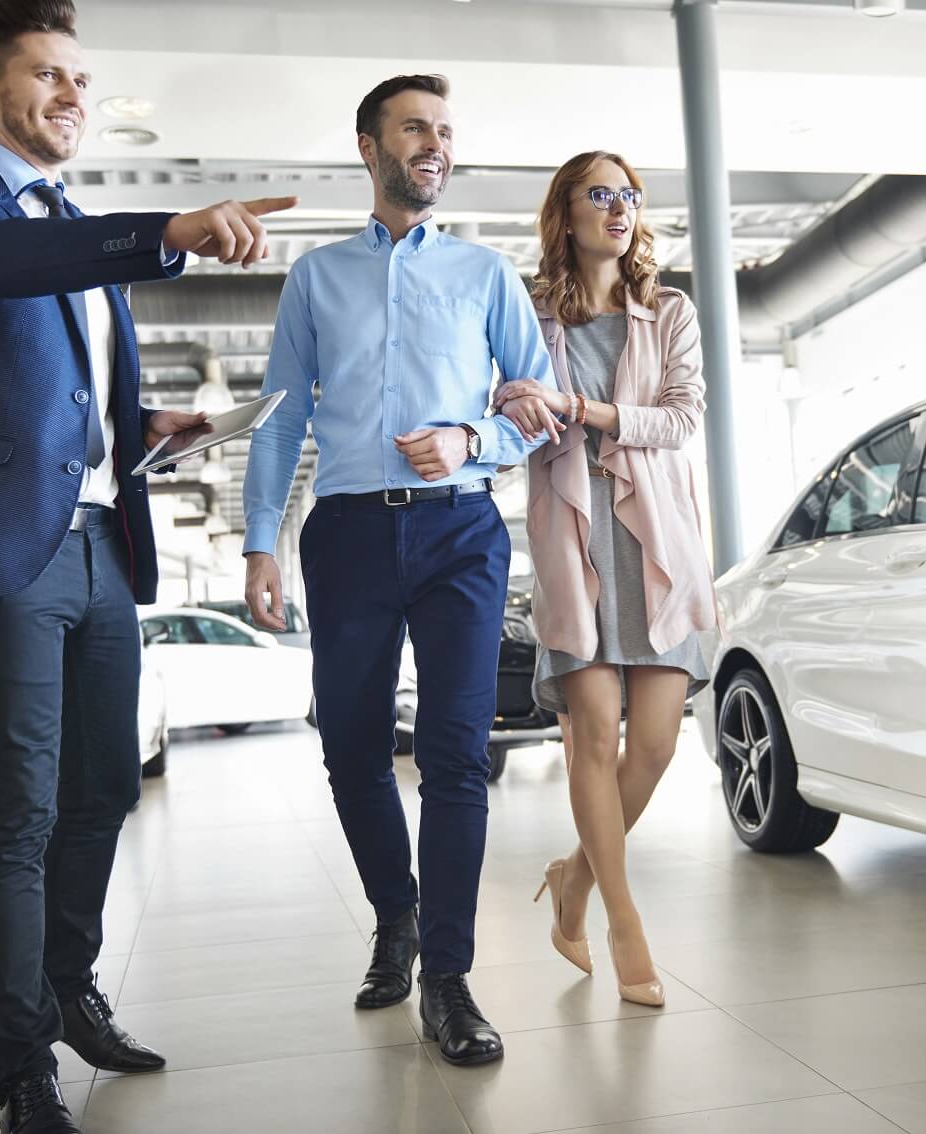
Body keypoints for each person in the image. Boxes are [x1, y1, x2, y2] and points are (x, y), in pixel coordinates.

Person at [0, 2, 293, 1130]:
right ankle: (20, 1066)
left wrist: (144, 424)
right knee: (16, 812)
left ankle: (70, 994)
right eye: (47, 74)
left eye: (80, 77)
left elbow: (67, 388)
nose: (73, 93)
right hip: (1, 549)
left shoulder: (71, 220)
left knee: (103, 790)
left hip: (104, 546)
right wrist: (166, 230)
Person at [243, 74, 557, 1067]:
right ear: (369, 147)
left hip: (461, 534)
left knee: (458, 757)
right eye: (415, 128)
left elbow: (536, 406)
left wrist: (472, 437)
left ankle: (450, 982)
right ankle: (395, 914)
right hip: (345, 534)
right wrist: (260, 540)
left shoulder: (484, 275)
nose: (434, 145)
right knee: (349, 748)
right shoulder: (315, 278)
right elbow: (282, 414)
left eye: (444, 131)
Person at [495, 151, 715, 1007]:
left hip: (656, 533)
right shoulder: (532, 311)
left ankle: (576, 876)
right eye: (601, 193)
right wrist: (520, 402)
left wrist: (592, 414)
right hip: (570, 533)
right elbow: (508, 406)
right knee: (592, 740)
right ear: (568, 211)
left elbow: (685, 416)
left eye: (629, 195)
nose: (619, 208)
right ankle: (624, 922)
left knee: (655, 743)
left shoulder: (667, 310)